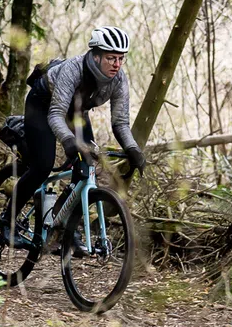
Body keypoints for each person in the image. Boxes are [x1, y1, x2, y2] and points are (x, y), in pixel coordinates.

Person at [12, 24, 149, 240]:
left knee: (86, 166)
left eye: (121, 58)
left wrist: (133, 149)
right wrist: (67, 140)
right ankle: (7, 221)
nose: (117, 64)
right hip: (43, 105)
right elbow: (55, 114)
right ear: (96, 56)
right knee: (43, 165)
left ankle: (63, 227)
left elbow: (120, 123)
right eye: (111, 58)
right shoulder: (74, 69)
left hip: (75, 112)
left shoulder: (119, 79)